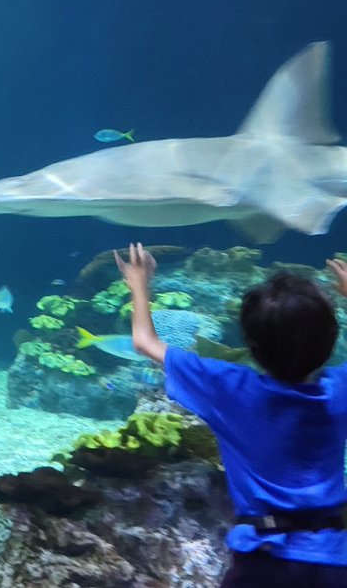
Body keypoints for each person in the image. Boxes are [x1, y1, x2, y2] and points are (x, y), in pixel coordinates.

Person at [116, 244, 347, 587]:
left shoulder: (231, 388)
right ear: (332, 339)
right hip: (335, 560)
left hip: (263, 562)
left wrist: (139, 284)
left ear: (250, 342)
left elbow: (144, 342)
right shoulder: (339, 388)